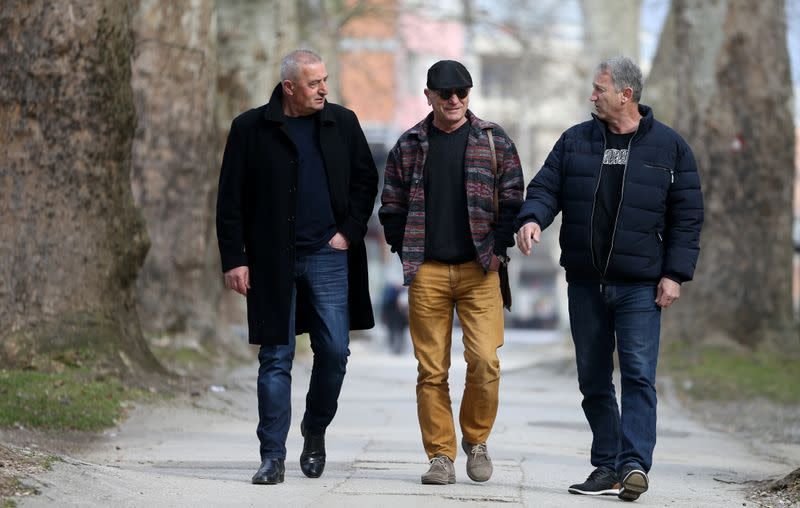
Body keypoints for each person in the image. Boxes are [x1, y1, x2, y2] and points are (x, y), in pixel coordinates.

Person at [516, 56, 704, 501]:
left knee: (638, 374)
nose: (592, 96)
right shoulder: (575, 141)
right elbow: (545, 188)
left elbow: (687, 217)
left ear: (626, 94)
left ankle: (634, 464)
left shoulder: (670, 147)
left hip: (641, 285)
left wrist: (674, 274)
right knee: (593, 378)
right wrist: (531, 218)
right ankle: (607, 465)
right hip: (585, 282)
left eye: (599, 89)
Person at [216, 49, 378, 485]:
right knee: (275, 357)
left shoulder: (343, 123)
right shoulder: (251, 128)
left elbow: (366, 181)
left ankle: (315, 429)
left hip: (329, 255)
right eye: (314, 83)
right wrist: (235, 258)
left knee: (334, 353)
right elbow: (230, 199)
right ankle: (272, 456)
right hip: (271, 260)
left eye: (325, 80)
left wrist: (349, 230)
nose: (324, 89)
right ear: (290, 87)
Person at [379, 60, 524, 485]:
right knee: (431, 370)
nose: (456, 100)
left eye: (463, 91)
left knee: (484, 361)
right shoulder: (408, 145)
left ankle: (476, 441)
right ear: (429, 96)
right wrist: (402, 246)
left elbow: (514, 198)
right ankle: (441, 455)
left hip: (481, 269)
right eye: (446, 94)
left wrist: (499, 246)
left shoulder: (494, 140)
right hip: (427, 272)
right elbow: (391, 205)